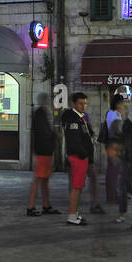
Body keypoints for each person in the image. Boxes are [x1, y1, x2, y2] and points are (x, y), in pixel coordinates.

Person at [61, 92, 94, 226]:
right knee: (76, 187)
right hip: (78, 157)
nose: (84, 106)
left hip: (80, 157)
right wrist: (84, 154)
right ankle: (72, 215)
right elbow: (74, 141)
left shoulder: (80, 118)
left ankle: (74, 213)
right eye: (81, 103)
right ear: (74, 104)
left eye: (85, 103)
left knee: (78, 186)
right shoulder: (73, 120)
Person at [26, 93, 60, 216]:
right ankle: (31, 207)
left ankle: (46, 205)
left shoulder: (42, 113)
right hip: (43, 151)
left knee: (44, 180)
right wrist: (54, 136)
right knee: (38, 179)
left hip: (45, 151)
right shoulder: (40, 114)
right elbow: (43, 133)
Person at [105, 100, 132, 222]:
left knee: (122, 186)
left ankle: (122, 213)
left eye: (120, 108)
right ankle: (122, 212)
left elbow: (127, 142)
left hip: (124, 157)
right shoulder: (119, 123)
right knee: (121, 186)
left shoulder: (127, 124)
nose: (119, 111)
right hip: (120, 157)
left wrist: (116, 147)